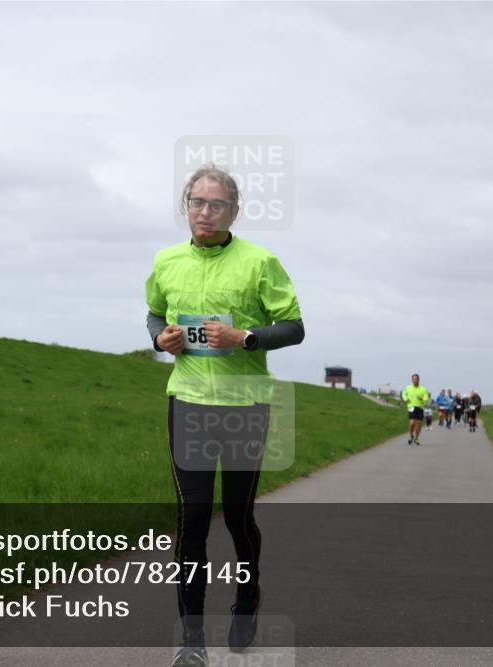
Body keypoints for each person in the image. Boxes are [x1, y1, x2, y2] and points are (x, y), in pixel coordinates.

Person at [146, 164, 305, 667]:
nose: (205, 212)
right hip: (188, 402)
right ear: (185, 206)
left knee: (237, 516)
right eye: (196, 202)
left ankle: (248, 593)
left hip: (243, 407)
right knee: (191, 519)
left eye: (216, 204)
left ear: (233, 211)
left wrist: (246, 338)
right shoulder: (166, 261)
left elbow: (295, 327)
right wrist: (159, 338)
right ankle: (191, 641)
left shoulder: (260, 262)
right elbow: (154, 311)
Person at [401, 374, 430, 445]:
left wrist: (422, 399)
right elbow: (403, 394)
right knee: (412, 423)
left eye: (416, 379)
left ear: (418, 380)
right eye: (413, 379)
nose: (414, 380)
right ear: (412, 380)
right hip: (411, 407)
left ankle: (416, 438)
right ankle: (411, 435)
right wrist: (405, 399)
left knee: (419, 425)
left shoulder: (423, 389)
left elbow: (426, 398)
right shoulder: (408, 387)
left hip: (420, 407)